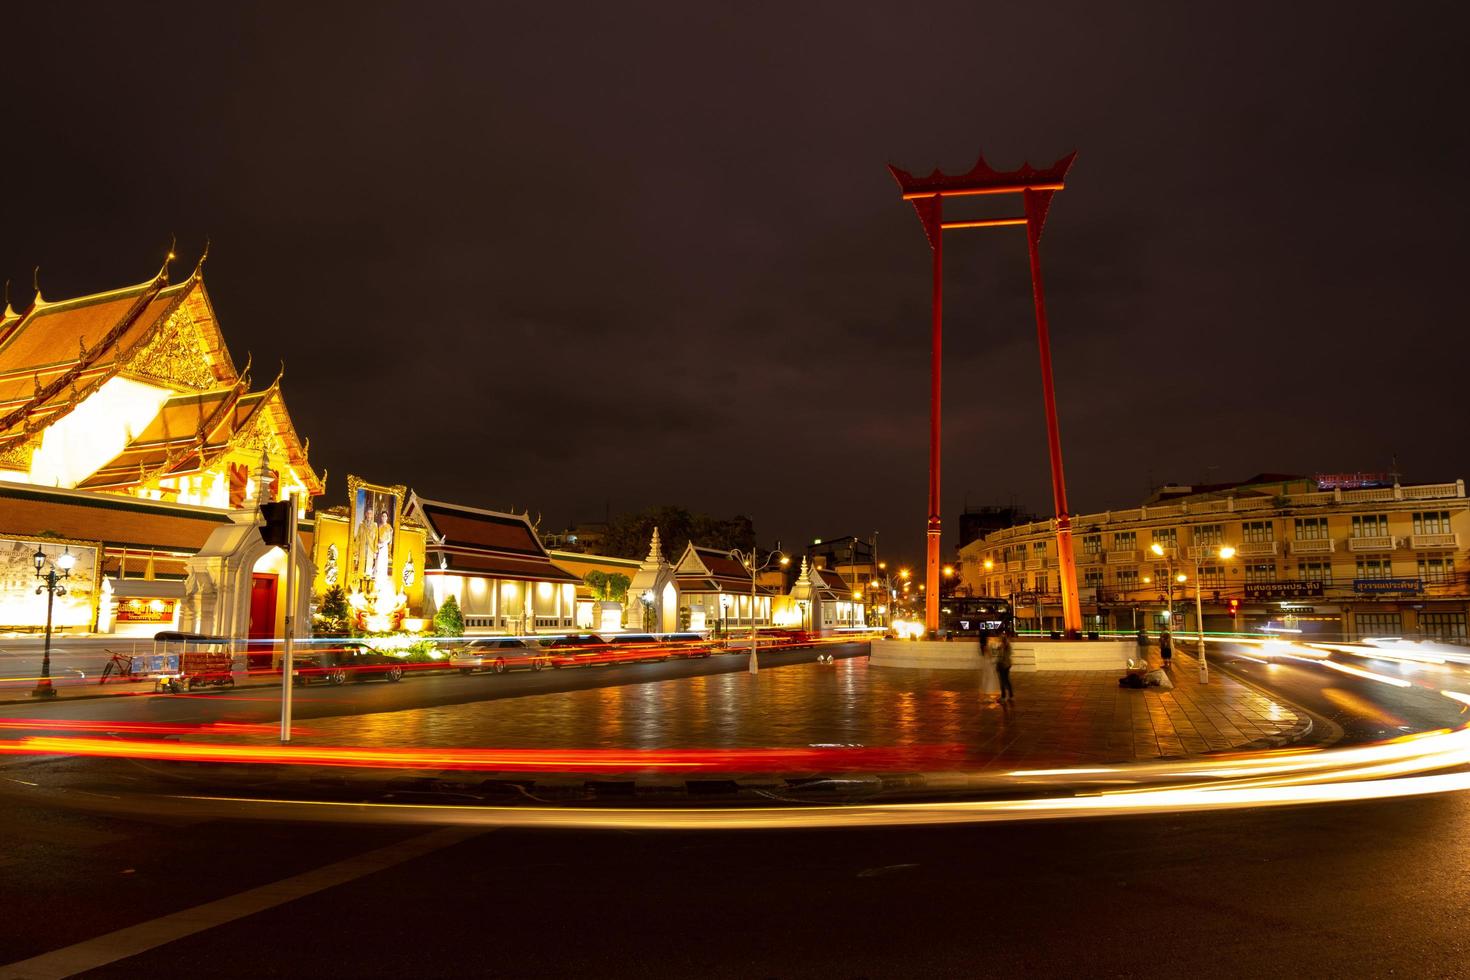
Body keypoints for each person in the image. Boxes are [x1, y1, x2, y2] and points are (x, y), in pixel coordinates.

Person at [995, 629, 1015, 702]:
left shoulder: (1004, 646)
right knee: (1006, 680)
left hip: (1003, 665)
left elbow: (1002, 657)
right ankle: (1010, 695)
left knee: (1003, 681)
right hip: (1006, 664)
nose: (999, 638)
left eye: (1000, 638)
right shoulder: (1005, 646)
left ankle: (1003, 696)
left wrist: (999, 664)